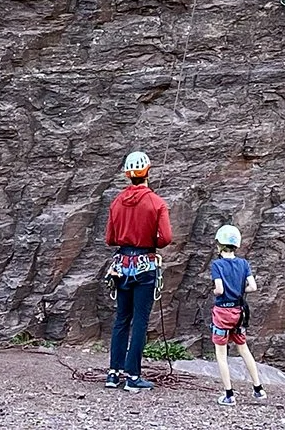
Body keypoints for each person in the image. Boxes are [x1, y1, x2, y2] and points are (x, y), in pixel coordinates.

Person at [102, 149, 173, 392]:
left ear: (127, 175)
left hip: (121, 264)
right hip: (145, 265)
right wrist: (149, 237)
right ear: (147, 173)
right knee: (140, 321)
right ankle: (133, 376)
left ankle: (113, 373)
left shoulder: (116, 202)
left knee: (121, 319)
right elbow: (166, 238)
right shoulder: (157, 203)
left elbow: (110, 238)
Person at [209, 225, 266, 406]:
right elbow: (253, 287)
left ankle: (229, 394)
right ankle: (258, 388)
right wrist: (240, 290)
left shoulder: (217, 265)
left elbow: (219, 289)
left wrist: (216, 291)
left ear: (219, 244)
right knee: (243, 348)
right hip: (238, 312)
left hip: (222, 313)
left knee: (221, 353)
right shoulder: (243, 264)